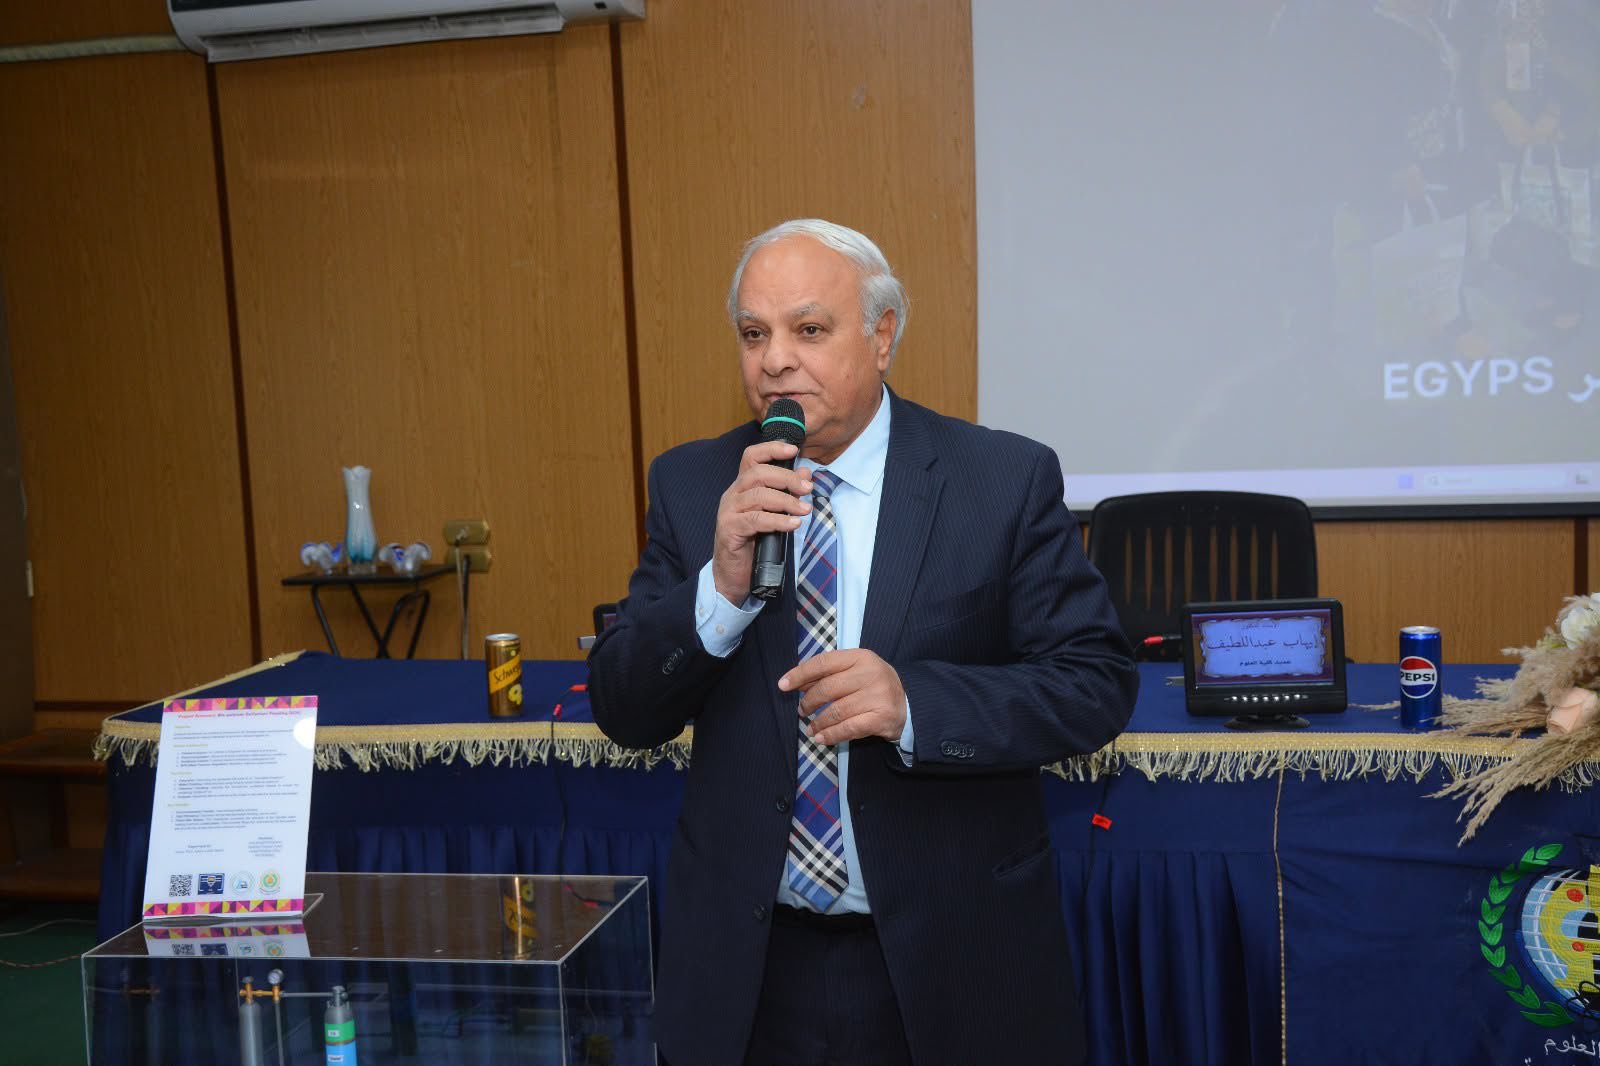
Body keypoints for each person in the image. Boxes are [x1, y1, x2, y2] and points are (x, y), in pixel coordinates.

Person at [588, 218, 1138, 1066]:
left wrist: (916, 703)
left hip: (951, 960)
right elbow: (624, 708)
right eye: (753, 334)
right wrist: (718, 589)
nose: (775, 360)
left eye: (809, 329)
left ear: (883, 337)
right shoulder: (695, 486)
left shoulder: (999, 480)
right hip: (748, 970)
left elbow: (1094, 683)